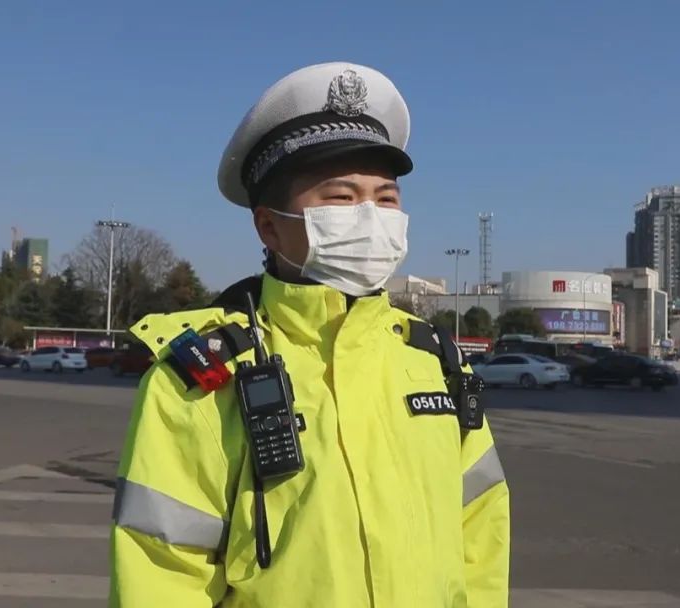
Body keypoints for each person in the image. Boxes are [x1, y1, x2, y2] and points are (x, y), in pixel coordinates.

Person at [110, 62, 510, 608]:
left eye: (386, 199)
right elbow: (162, 569)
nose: (371, 217)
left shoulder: (436, 361)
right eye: (341, 198)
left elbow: (481, 531)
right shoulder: (202, 378)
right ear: (269, 226)